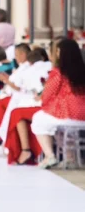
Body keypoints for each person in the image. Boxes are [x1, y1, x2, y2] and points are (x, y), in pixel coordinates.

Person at [31, 37, 85, 168]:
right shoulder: (82, 71)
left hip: (68, 114)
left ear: (60, 53)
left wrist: (42, 101)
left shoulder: (59, 72)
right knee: (58, 126)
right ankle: (71, 158)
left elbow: (47, 95)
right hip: (82, 116)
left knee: (38, 119)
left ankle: (49, 156)